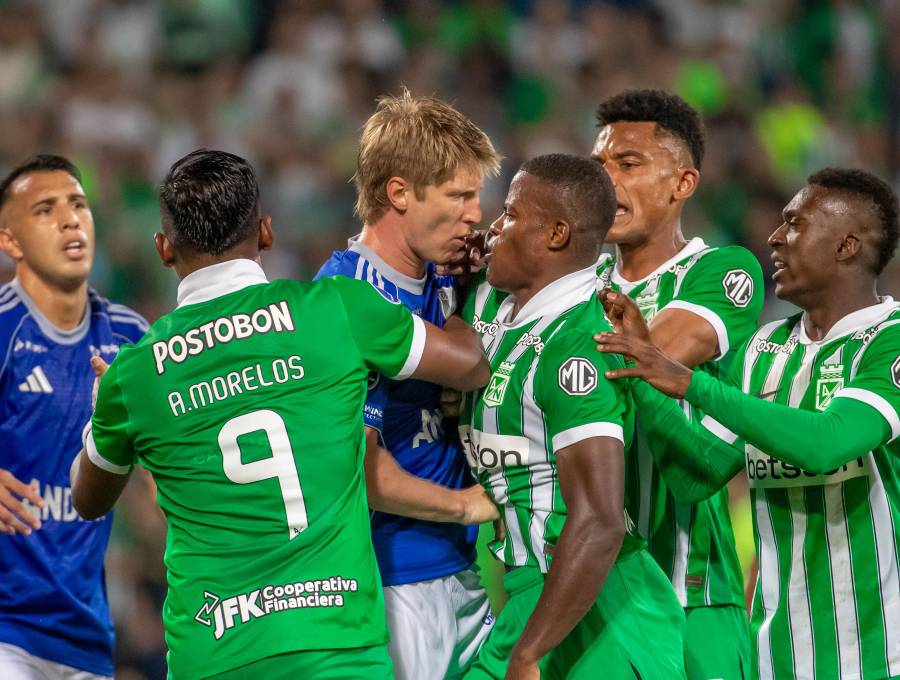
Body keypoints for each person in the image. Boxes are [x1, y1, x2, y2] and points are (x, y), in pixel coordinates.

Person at [69, 149, 493, 679]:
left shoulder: (134, 376)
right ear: (266, 232)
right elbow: (471, 364)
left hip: (213, 657)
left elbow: (87, 500)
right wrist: (457, 290)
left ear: (163, 248)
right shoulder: (336, 307)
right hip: (336, 648)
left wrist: (101, 411)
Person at [596, 167, 900, 680]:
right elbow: (698, 473)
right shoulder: (764, 348)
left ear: (847, 245)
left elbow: (827, 444)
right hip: (774, 657)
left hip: (876, 656)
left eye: (795, 224)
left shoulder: (889, 339)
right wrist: (640, 365)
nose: (775, 237)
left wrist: (688, 383)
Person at [461, 153, 686, 679]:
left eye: (511, 213)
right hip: (531, 592)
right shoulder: (498, 311)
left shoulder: (580, 342)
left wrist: (530, 652)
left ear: (556, 234)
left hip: (594, 602)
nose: (495, 226)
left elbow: (600, 519)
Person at [316, 91, 501, 680]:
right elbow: (364, 470)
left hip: (458, 566)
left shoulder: (442, 275)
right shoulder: (346, 296)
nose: (476, 213)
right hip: (395, 578)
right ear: (400, 193)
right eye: (459, 196)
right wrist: (468, 505)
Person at [590, 88, 762, 678]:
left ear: (682, 183)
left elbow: (643, 357)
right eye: (599, 165)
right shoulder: (577, 283)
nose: (606, 180)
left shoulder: (721, 270)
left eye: (628, 163)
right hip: (594, 589)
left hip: (693, 588)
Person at [0, 155, 148, 679]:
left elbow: (168, 472)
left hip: (87, 634)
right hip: (7, 630)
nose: (69, 220)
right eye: (45, 210)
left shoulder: (130, 337)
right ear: (9, 240)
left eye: (78, 205)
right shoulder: (4, 328)